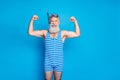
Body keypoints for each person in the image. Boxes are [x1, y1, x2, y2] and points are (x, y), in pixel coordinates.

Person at [28, 13, 80, 80]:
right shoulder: (45, 33)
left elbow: (77, 34)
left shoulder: (62, 34)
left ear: (58, 22)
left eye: (56, 21)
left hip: (59, 63)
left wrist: (75, 21)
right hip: (48, 63)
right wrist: (32, 20)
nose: (54, 23)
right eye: (52, 21)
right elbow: (30, 32)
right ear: (49, 22)